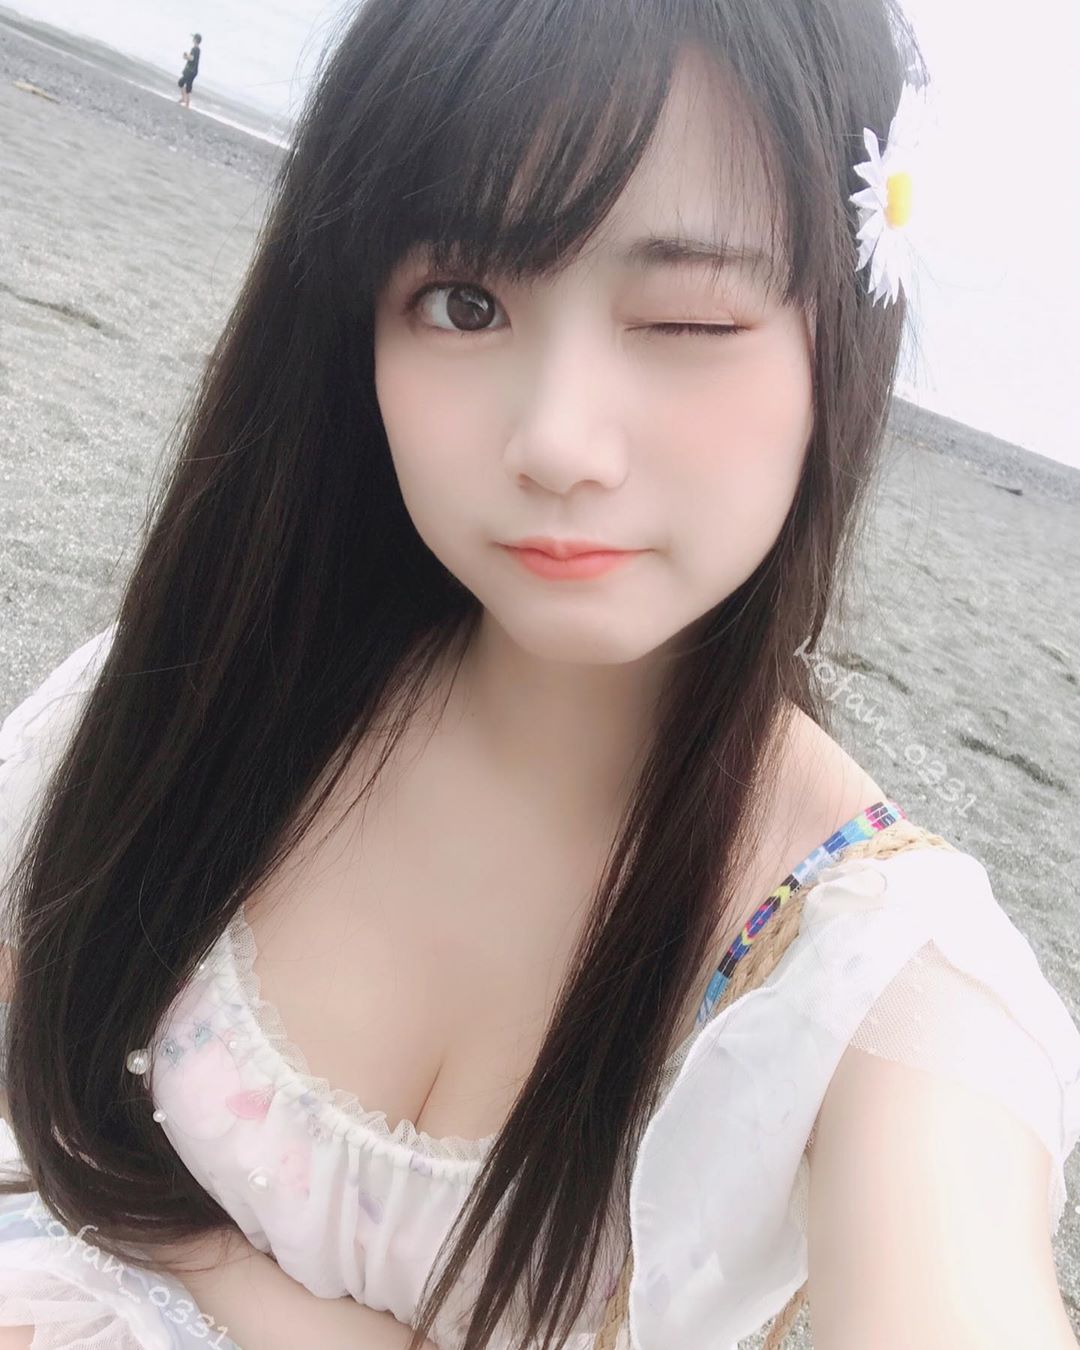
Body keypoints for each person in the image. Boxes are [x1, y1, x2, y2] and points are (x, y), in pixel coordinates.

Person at [0, 0, 1078, 1347]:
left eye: (684, 318)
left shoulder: (873, 981)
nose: (558, 440)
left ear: (841, 345)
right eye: (466, 304)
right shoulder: (210, 683)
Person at [177, 33, 201, 109]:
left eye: (194, 38)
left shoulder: (195, 49)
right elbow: (193, 58)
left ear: (196, 40)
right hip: (192, 71)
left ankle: (186, 103)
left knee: (185, 84)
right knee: (183, 83)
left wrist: (186, 56)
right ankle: (184, 100)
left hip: (191, 71)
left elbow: (192, 58)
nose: (192, 39)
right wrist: (187, 56)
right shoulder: (197, 49)